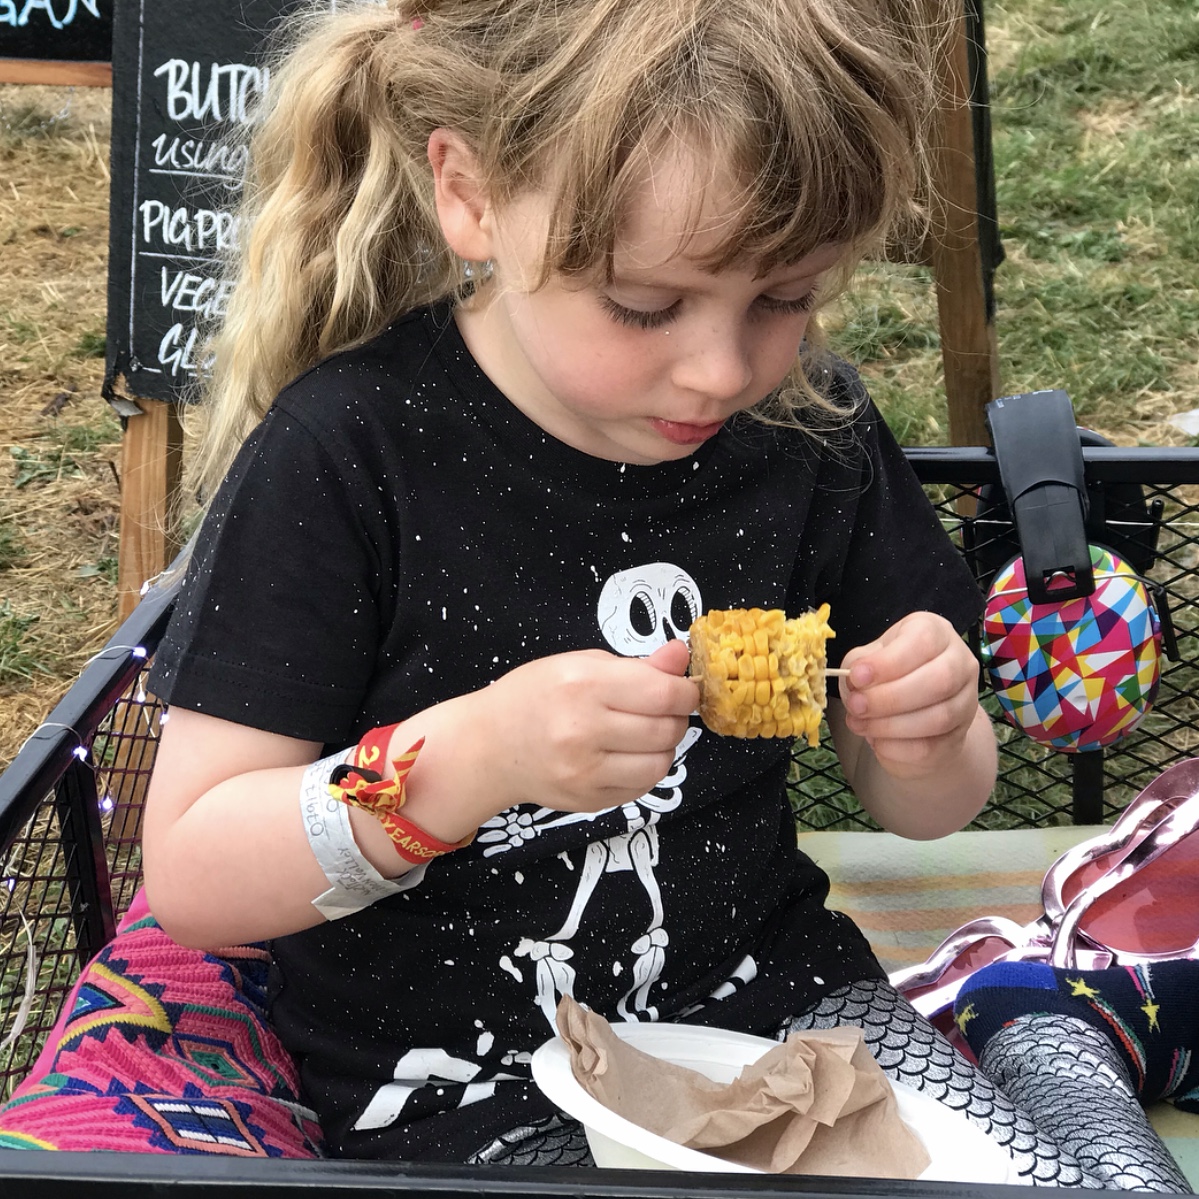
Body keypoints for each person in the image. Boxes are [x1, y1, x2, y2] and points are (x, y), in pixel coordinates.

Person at [140, 0, 1085, 1181]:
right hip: (458, 1077)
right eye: (643, 304)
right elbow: (193, 870)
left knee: (1024, 1178)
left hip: (779, 1005)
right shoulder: (348, 456)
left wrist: (925, 733)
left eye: (785, 296)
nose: (720, 369)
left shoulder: (810, 433)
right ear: (472, 195)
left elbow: (931, 805)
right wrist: (469, 758)